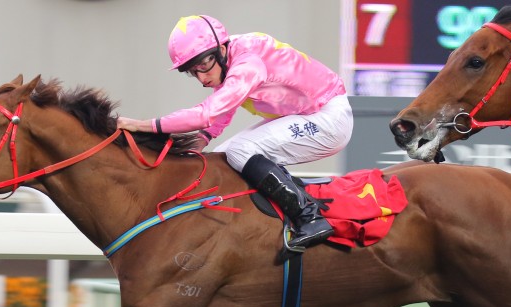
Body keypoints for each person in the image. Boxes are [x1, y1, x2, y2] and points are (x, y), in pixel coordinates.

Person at [117, 15, 353, 251]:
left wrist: (143, 125)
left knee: (240, 151)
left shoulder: (248, 64)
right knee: (220, 159)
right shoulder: (230, 56)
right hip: (306, 115)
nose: (202, 78)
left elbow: (205, 114)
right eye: (193, 71)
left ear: (220, 50)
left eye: (203, 66)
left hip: (328, 118)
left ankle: (309, 217)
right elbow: (225, 107)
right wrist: (204, 139)